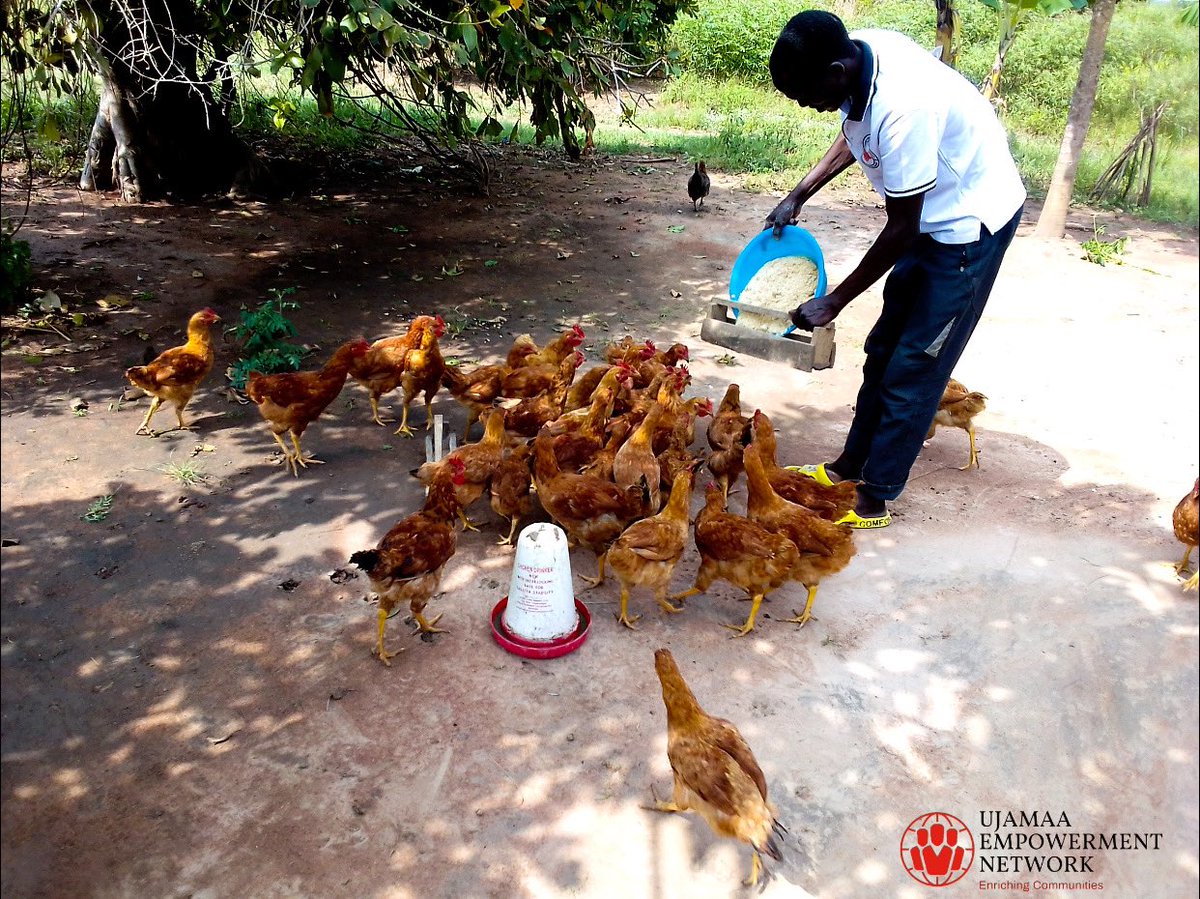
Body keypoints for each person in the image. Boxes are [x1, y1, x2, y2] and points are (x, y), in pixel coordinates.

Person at [764, 9, 1026, 529]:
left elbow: (902, 226)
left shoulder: (903, 107)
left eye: (805, 94)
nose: (805, 106)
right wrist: (800, 192)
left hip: (967, 229)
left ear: (837, 71)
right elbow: (855, 130)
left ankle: (875, 496)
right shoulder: (860, 52)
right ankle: (848, 469)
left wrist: (834, 300)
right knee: (882, 349)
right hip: (927, 218)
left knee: (915, 365)